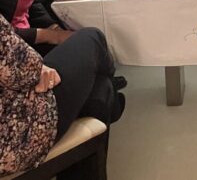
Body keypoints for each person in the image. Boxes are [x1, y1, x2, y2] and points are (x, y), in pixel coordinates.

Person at [0, 13, 125, 176]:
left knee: (99, 91)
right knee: (93, 37)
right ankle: (113, 95)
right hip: (15, 137)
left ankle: (110, 91)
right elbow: (22, 68)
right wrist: (37, 65)